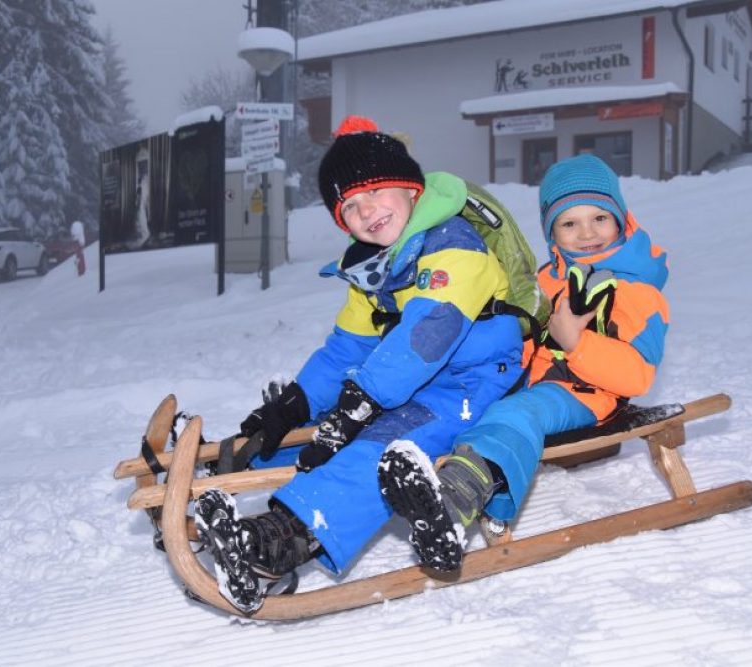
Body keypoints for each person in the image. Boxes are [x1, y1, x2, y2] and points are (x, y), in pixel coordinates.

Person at [195, 116, 525, 613]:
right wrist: (295, 403)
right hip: (406, 380)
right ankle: (228, 472)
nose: (365, 210)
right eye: (349, 205)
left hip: (470, 384)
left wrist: (366, 397)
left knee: (381, 441)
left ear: (411, 189)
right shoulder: (377, 268)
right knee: (325, 425)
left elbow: (430, 331)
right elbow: (346, 350)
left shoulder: (454, 244)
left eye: (375, 191)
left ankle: (284, 539)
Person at [378, 153, 670, 572]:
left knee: (519, 412)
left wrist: (577, 345)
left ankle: (455, 498)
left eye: (599, 219)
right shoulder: (548, 278)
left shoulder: (639, 293)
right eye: (569, 223)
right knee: (466, 399)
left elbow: (636, 375)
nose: (586, 233)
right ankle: (412, 474)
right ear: (552, 232)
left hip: (588, 395)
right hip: (528, 380)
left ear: (621, 220)